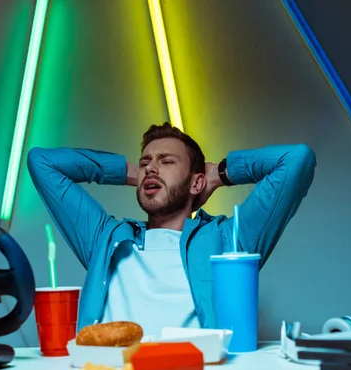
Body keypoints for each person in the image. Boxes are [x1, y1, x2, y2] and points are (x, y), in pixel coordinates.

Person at [27, 122, 316, 336]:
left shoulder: (227, 239)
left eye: (166, 161)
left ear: (197, 183)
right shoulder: (104, 238)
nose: (151, 168)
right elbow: (42, 162)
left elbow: (296, 160)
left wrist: (222, 174)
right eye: (145, 163)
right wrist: (134, 173)